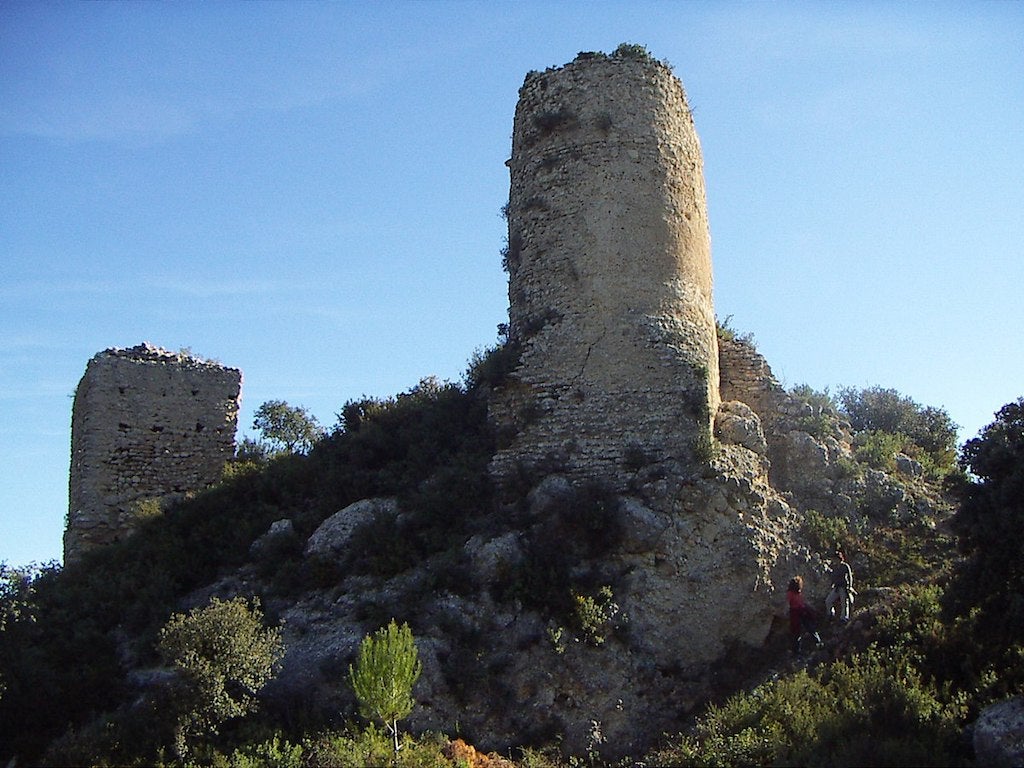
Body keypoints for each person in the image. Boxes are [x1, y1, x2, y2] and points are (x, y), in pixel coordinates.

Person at [787, 576, 822, 655]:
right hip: (801, 611)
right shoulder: (797, 592)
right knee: (809, 628)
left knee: (797, 633)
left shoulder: (791, 593)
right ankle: (817, 642)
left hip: (795, 612)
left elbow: (790, 603)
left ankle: (797, 651)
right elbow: (800, 603)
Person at [825, 549, 856, 623]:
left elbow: (850, 576)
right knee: (828, 601)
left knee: (844, 603)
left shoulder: (845, 566)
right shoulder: (835, 567)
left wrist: (850, 586)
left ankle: (844, 618)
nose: (834, 560)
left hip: (844, 587)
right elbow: (833, 577)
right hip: (836, 587)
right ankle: (831, 614)